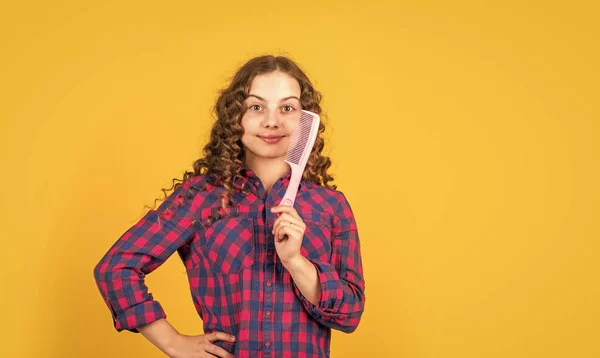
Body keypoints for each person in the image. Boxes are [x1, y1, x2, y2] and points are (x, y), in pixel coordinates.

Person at [93, 55, 366, 358]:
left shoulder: (330, 206)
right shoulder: (201, 197)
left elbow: (350, 314)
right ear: (235, 116)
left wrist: (296, 263)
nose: (271, 121)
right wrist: (172, 342)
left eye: (287, 108)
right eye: (256, 107)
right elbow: (116, 267)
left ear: (305, 120)